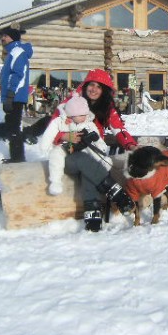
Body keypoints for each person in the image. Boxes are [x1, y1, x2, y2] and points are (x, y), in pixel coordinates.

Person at [40, 93, 134, 232]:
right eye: (80, 115)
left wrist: (90, 141)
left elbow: (101, 146)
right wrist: (64, 137)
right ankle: (115, 191)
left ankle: (93, 213)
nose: (84, 117)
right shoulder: (60, 121)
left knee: (88, 169)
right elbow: (45, 142)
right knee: (83, 160)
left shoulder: (89, 124)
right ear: (71, 114)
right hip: (65, 158)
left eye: (85, 114)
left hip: (87, 160)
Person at [54, 68, 138, 153]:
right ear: (86, 86)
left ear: (103, 91)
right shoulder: (69, 104)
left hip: (96, 152)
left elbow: (118, 129)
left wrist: (131, 145)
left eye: (99, 87)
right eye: (92, 85)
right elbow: (50, 128)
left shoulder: (106, 108)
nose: (94, 89)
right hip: (66, 152)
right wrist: (64, 136)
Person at [0, 23, 33, 163]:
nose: (2, 38)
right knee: (12, 126)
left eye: (5, 36)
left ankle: (17, 157)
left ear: (12, 38)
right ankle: (16, 156)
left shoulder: (17, 51)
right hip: (13, 95)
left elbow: (19, 74)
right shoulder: (13, 51)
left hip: (15, 96)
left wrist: (10, 94)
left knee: (13, 127)